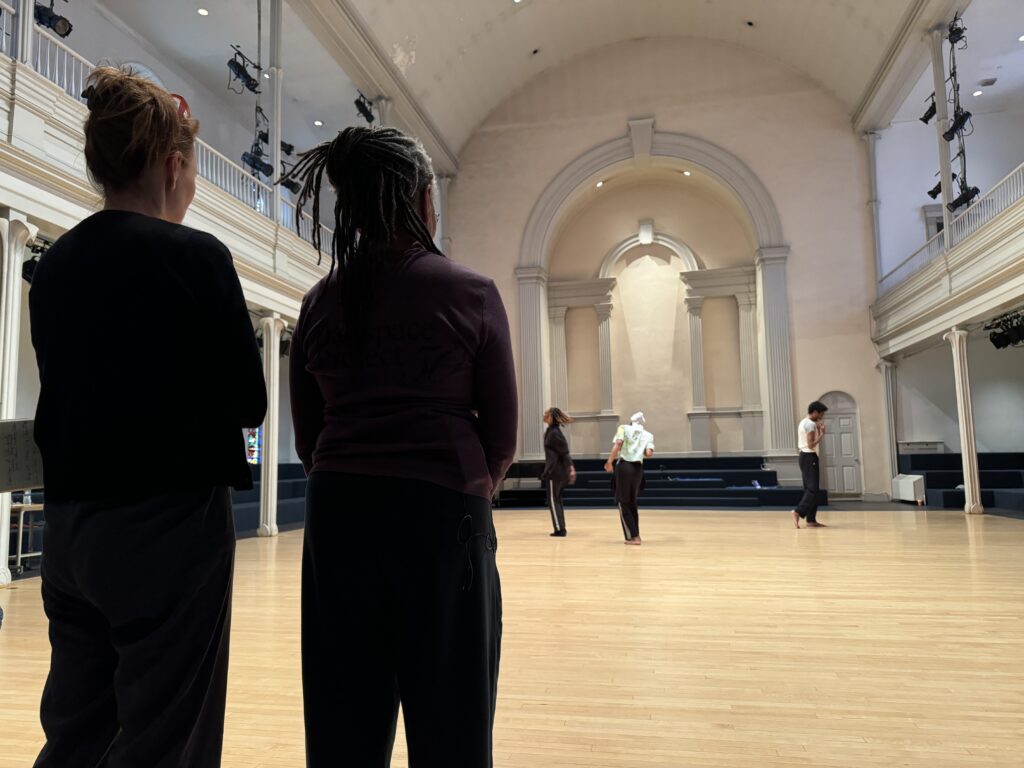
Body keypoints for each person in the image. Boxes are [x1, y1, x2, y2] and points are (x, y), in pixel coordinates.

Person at [28, 67, 266, 768]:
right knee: (168, 736)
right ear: (173, 166)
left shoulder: (56, 265)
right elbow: (249, 401)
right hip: (170, 529)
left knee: (75, 731)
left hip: (70, 529)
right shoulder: (199, 257)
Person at [284, 125, 517, 766]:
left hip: (339, 518)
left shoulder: (317, 303)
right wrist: (462, 491)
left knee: (342, 725)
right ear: (420, 201)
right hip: (444, 518)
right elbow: (500, 436)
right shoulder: (469, 292)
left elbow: (310, 437)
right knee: (454, 728)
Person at [604, 411, 655, 545]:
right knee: (632, 502)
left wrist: (609, 461)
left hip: (625, 466)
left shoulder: (623, 428)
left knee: (623, 502)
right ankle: (636, 534)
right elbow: (649, 454)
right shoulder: (648, 435)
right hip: (638, 469)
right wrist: (639, 446)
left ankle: (633, 537)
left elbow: (618, 444)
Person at [793, 401, 829, 529]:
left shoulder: (804, 422)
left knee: (811, 489)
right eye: (821, 413)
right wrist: (822, 434)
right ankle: (798, 511)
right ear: (815, 412)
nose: (822, 416)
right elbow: (811, 445)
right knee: (813, 489)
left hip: (804, 457)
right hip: (809, 457)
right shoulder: (810, 424)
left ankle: (811, 520)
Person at [541, 407, 576, 537]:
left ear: (551, 417)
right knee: (556, 500)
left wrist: (571, 468)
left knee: (553, 500)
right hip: (557, 471)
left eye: (546, 414)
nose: (544, 415)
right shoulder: (552, 431)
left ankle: (559, 529)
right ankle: (560, 527)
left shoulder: (554, 433)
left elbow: (564, 452)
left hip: (555, 472)